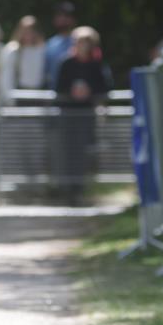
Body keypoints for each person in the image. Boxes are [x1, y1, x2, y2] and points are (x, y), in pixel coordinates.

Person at [54, 26, 112, 206]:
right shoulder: (66, 63)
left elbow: (104, 88)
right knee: (67, 152)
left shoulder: (96, 66)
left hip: (87, 115)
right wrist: (72, 92)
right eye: (80, 42)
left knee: (84, 152)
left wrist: (90, 92)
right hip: (68, 115)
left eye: (87, 42)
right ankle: (67, 190)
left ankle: (81, 189)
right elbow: (58, 88)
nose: (83, 46)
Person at [0, 15, 47, 104]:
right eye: (25, 30)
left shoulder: (42, 49)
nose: (28, 34)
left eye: (32, 30)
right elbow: (7, 76)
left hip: (39, 94)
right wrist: (9, 99)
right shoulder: (12, 50)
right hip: (19, 94)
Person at [44, 1, 77, 90]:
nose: (62, 19)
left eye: (66, 16)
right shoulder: (49, 44)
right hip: (54, 94)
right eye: (59, 15)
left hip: (77, 95)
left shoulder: (80, 42)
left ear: (73, 19)